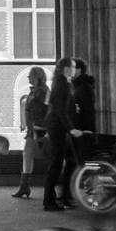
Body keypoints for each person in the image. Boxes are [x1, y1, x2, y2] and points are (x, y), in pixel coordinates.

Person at [41, 60, 79, 210]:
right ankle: (49, 201)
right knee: (56, 163)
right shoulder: (63, 84)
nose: (75, 69)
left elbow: (58, 106)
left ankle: (57, 198)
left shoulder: (60, 82)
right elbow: (59, 109)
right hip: (58, 127)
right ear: (66, 68)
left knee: (62, 161)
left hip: (55, 125)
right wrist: (70, 129)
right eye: (73, 67)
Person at [12, 66, 47, 198]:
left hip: (39, 129)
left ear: (37, 76)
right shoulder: (35, 91)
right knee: (27, 154)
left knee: (31, 155)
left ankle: (25, 187)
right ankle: (24, 186)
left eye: (30, 76)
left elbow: (44, 109)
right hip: (33, 129)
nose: (28, 78)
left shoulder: (42, 91)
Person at [67, 58, 98, 195]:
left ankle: (87, 190)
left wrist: (87, 131)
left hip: (82, 130)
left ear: (79, 70)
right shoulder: (79, 87)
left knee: (83, 160)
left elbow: (88, 111)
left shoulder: (84, 88)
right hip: (79, 129)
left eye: (72, 68)